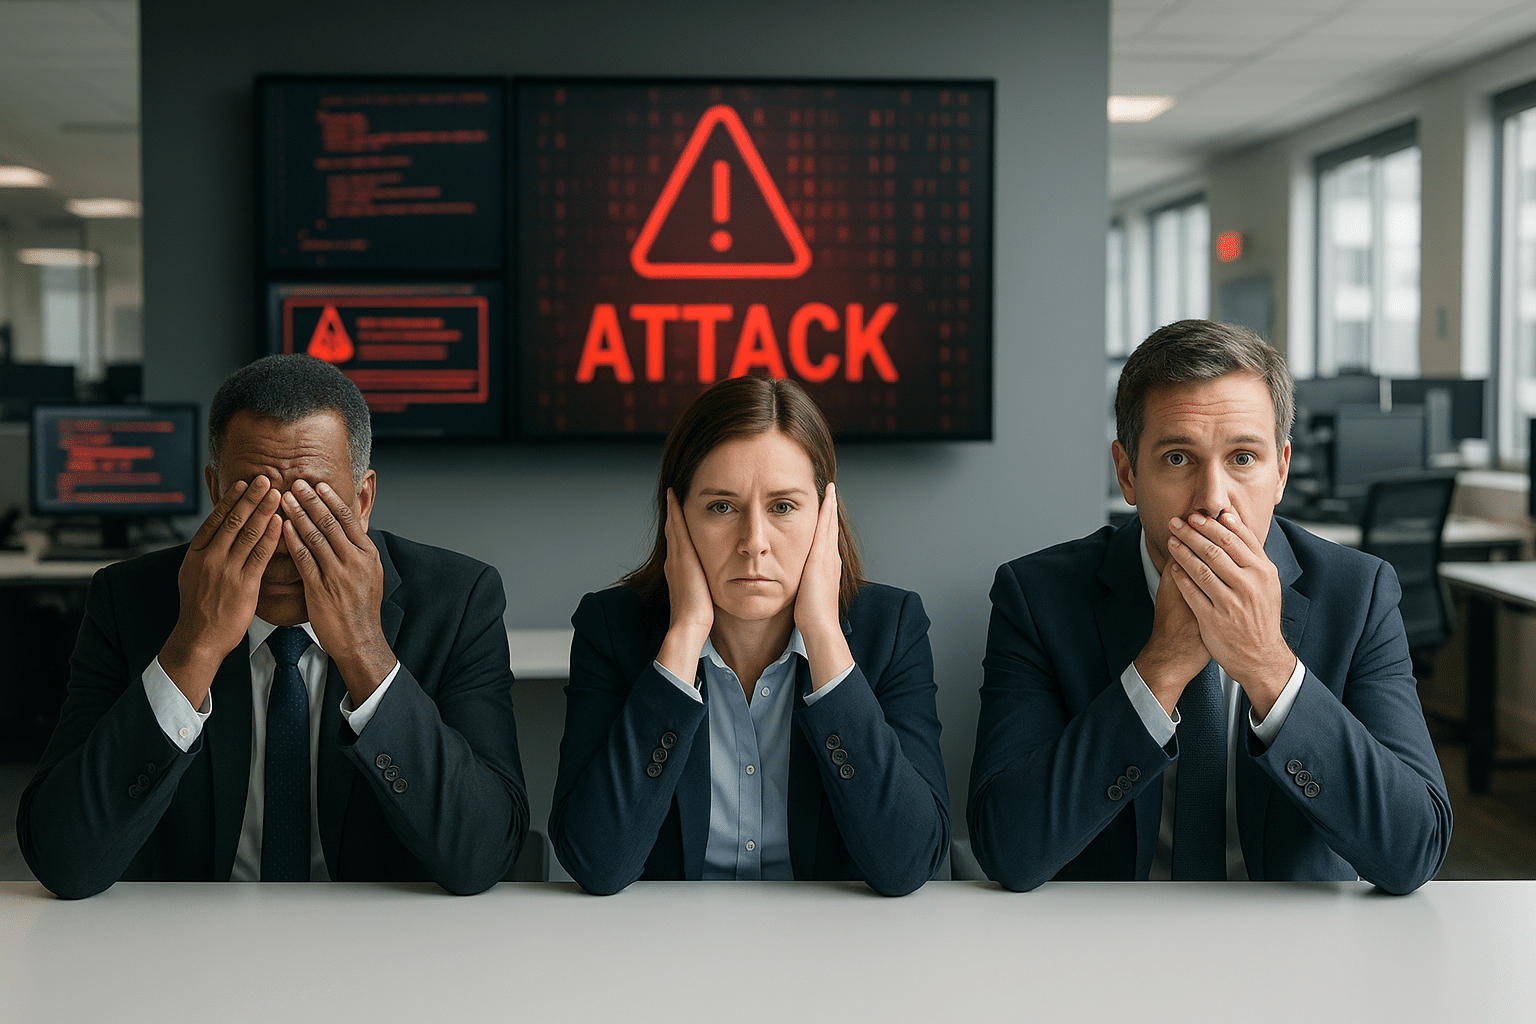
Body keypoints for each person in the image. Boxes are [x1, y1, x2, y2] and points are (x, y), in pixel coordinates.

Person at [968, 320, 1452, 893]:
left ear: (1281, 471)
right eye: (1178, 458)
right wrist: (1161, 668)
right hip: (1109, 933)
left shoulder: (1359, 594)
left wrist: (1269, 667)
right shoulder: (1036, 597)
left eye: (1243, 457)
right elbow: (1008, 849)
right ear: (1127, 473)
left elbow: (1414, 850)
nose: (1213, 501)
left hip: (1293, 936)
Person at [18, 355, 528, 897]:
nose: (282, 543)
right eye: (254, 502)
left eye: (313, 506)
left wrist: (364, 651)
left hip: (380, 938)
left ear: (362, 501)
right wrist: (194, 645)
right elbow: (63, 861)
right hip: (190, 938)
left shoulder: (457, 601)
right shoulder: (128, 601)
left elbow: (482, 856)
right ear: (216, 493)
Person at [551, 376, 949, 895]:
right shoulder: (610, 627)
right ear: (677, 518)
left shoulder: (891, 628)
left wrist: (824, 635)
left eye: (783, 506)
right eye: (722, 506)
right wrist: (684, 635)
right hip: (665, 939)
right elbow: (596, 864)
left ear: (825, 517)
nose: (754, 542)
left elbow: (909, 864)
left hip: (831, 939)